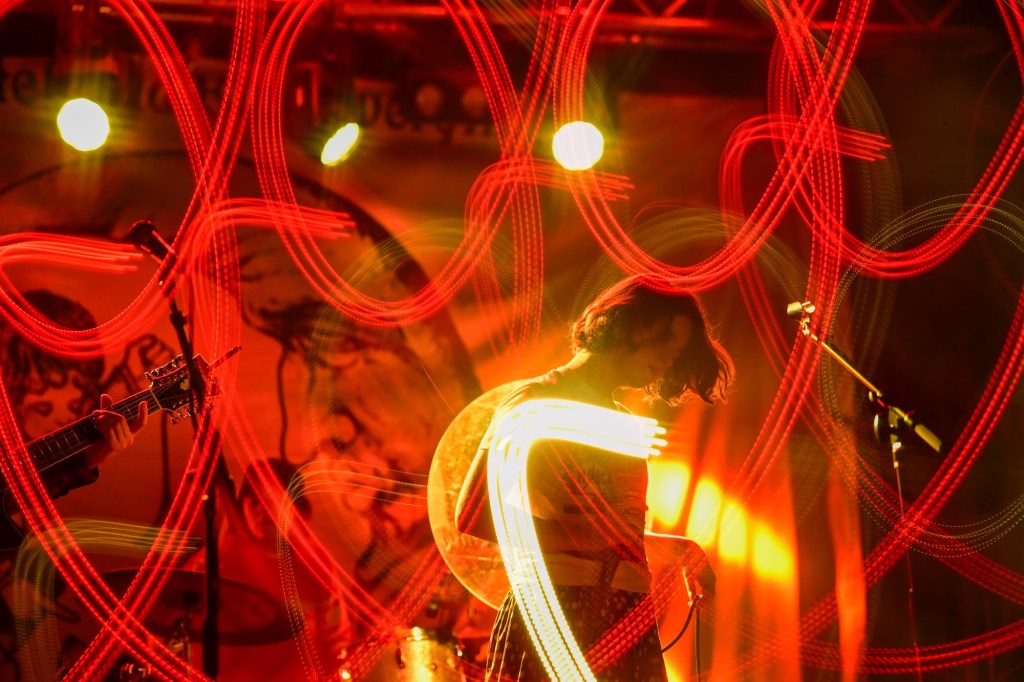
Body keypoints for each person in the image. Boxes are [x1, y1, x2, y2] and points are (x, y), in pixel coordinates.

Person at [454, 275, 733, 681]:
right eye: (663, 342)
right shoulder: (536, 402)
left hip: (626, 622)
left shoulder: (625, 424)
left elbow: (608, 532)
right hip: (556, 615)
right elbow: (473, 513)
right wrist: (585, 537)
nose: (668, 360)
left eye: (675, 353)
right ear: (627, 324)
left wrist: (678, 550)